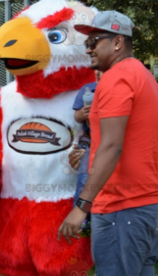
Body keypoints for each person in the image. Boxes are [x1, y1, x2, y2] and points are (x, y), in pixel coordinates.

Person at [58, 11, 158, 276]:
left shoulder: (116, 79)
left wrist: (81, 207)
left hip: (123, 208)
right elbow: (132, 142)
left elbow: (112, 146)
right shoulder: (145, 78)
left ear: (118, 42)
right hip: (147, 207)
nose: (88, 48)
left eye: (94, 41)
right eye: (86, 42)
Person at [69, 70, 103, 236]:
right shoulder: (87, 89)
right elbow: (76, 115)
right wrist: (82, 114)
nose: (97, 72)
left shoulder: (115, 88)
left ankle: (99, 218)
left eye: (102, 70)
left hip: (108, 143)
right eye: (95, 70)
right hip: (89, 144)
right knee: (84, 180)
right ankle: (81, 219)